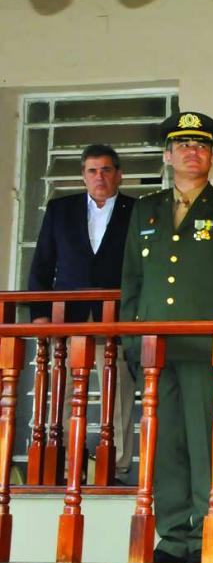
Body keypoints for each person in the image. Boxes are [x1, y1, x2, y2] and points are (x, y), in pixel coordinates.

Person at [120, 112, 213, 563]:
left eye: (201, 146)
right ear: (168, 155)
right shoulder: (146, 208)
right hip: (156, 347)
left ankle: (206, 536)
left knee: (207, 444)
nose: (192, 152)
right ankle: (172, 538)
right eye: (182, 145)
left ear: (211, 156)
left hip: (209, 347)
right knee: (165, 445)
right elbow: (132, 282)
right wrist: (131, 341)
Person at [27, 144, 137, 483]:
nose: (99, 176)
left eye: (106, 169)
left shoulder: (137, 210)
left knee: (116, 386)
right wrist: (40, 313)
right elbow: (43, 262)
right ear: (83, 175)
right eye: (92, 170)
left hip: (116, 314)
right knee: (60, 386)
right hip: (67, 314)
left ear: (119, 174)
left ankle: (114, 466)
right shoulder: (61, 209)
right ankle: (58, 462)